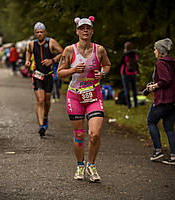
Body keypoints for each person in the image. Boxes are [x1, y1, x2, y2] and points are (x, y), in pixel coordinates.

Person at [57, 16, 111, 182]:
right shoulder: (69, 51)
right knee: (79, 135)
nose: (85, 30)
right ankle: (80, 165)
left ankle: (91, 165)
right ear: (77, 31)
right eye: (82, 28)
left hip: (94, 96)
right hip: (75, 96)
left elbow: (107, 65)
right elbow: (59, 72)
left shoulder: (99, 50)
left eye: (88, 28)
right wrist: (73, 70)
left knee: (94, 134)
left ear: (92, 31)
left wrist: (102, 73)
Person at [25, 22, 63, 137]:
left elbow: (62, 52)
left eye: (41, 32)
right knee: (40, 100)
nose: (40, 34)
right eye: (37, 32)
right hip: (37, 75)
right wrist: (28, 60)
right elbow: (28, 52)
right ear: (35, 33)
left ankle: (45, 117)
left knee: (47, 101)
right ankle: (41, 125)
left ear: (45, 32)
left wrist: (52, 61)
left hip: (49, 75)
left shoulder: (51, 42)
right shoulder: (32, 44)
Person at [146, 38, 175, 165]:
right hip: (173, 101)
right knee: (169, 128)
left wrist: (154, 87)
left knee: (151, 121)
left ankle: (158, 151)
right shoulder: (172, 62)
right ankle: (173, 157)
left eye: (155, 49)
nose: (154, 51)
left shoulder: (161, 63)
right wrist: (153, 84)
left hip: (163, 100)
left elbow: (165, 80)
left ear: (160, 51)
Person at [120, 41, 139, 109]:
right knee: (134, 89)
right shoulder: (135, 54)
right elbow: (137, 61)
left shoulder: (125, 54)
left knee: (127, 90)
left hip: (125, 73)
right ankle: (136, 104)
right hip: (133, 73)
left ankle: (129, 105)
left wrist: (124, 53)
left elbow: (121, 62)